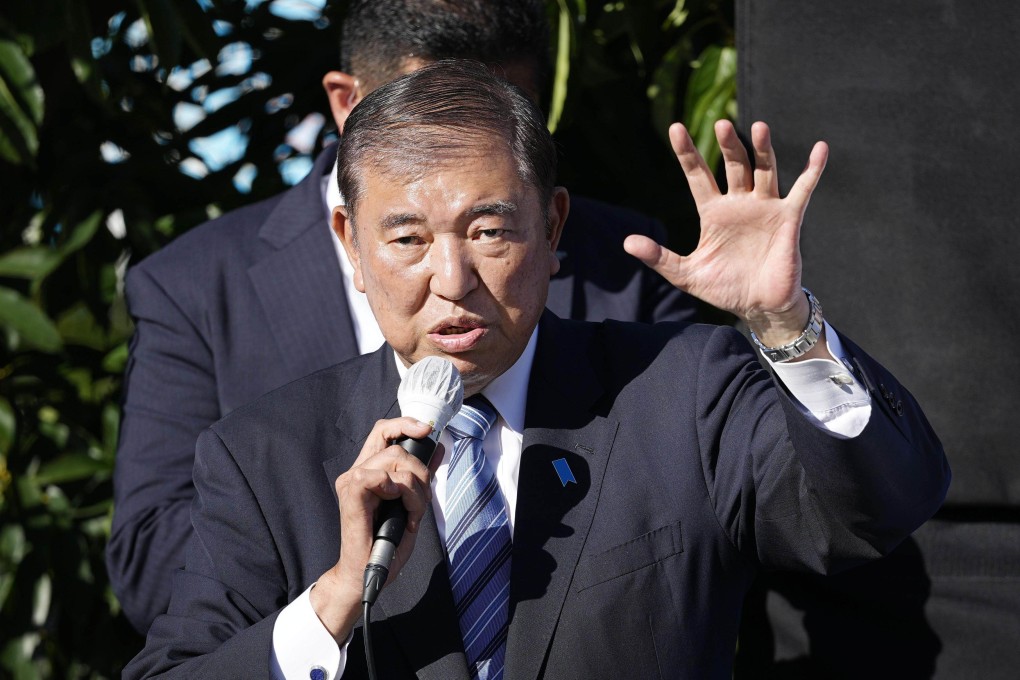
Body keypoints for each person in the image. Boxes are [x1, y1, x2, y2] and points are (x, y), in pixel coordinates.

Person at [124, 59, 948, 680]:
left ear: (553, 227)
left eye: (489, 231)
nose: (452, 280)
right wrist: (337, 596)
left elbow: (878, 508)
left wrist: (784, 323)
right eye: (407, 239)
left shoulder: (681, 389)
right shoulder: (266, 452)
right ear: (349, 242)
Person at [106, 0, 698, 634]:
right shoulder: (194, 285)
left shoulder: (629, 259)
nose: (453, 277)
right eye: (426, 106)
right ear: (344, 101)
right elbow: (152, 560)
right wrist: (353, 581)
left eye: (504, 110)